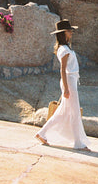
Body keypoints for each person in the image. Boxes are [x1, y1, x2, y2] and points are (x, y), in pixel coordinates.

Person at [35, 19, 90, 151]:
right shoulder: (64, 49)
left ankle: (41, 133)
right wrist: (66, 88)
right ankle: (78, 143)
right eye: (69, 30)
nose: (71, 32)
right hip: (69, 81)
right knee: (74, 112)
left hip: (71, 80)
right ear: (63, 33)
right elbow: (63, 69)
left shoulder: (65, 48)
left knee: (62, 112)